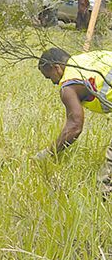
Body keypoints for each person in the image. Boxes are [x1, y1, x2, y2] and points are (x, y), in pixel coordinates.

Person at [34, 48, 112, 194]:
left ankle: (103, 202)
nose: (53, 83)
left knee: (107, 176)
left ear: (56, 68)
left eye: (50, 77)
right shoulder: (86, 58)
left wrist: (49, 152)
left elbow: (75, 127)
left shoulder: (68, 85)